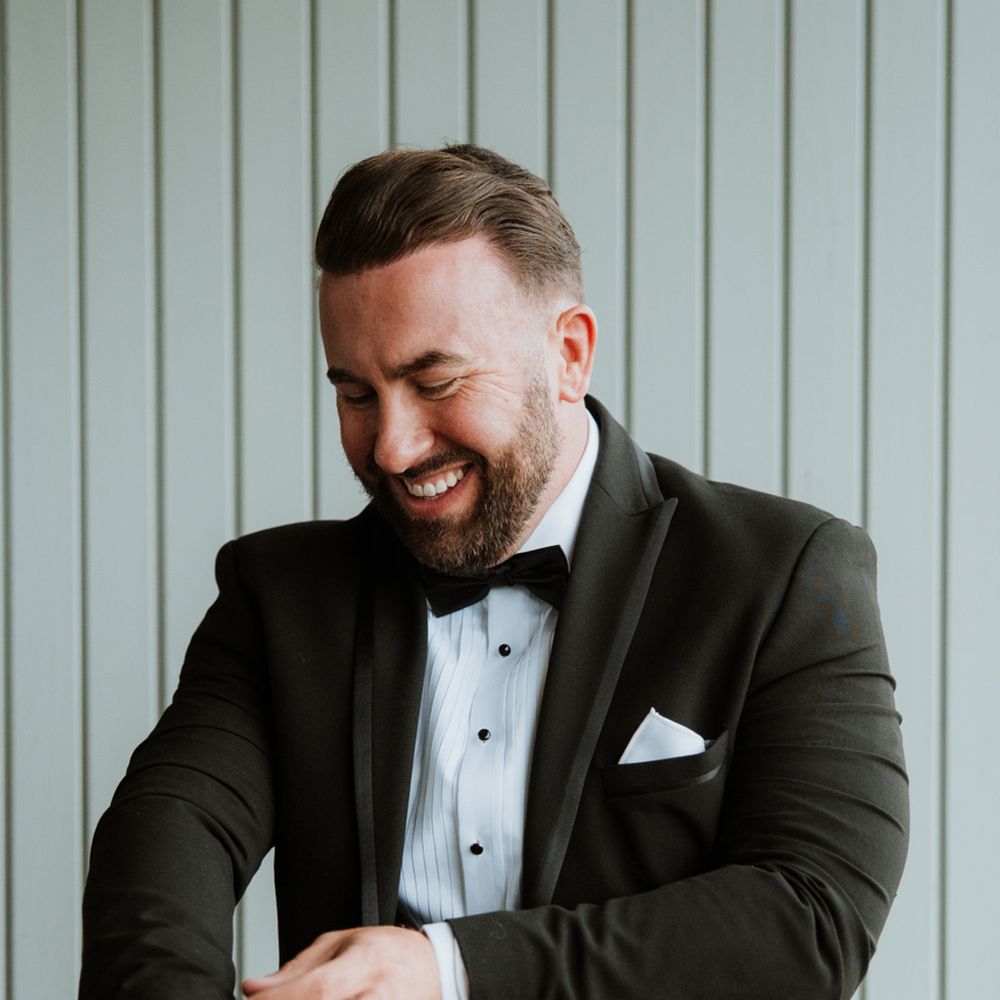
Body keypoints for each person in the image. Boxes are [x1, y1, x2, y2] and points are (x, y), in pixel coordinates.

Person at [80, 144, 908, 1000]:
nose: (394, 447)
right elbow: (170, 827)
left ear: (570, 355)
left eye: (433, 379)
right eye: (356, 395)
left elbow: (812, 917)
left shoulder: (787, 575)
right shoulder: (277, 595)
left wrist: (446, 970)